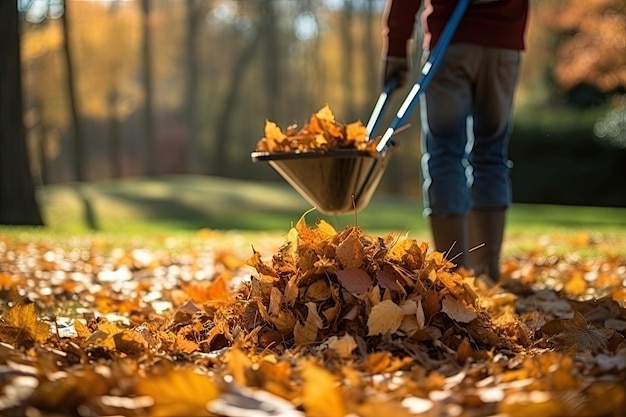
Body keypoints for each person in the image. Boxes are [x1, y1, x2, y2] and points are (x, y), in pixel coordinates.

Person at [380, 0, 529, 282]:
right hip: (502, 45)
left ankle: (454, 275)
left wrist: (396, 51)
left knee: (445, 152)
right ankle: (487, 267)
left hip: (451, 45)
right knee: (490, 152)